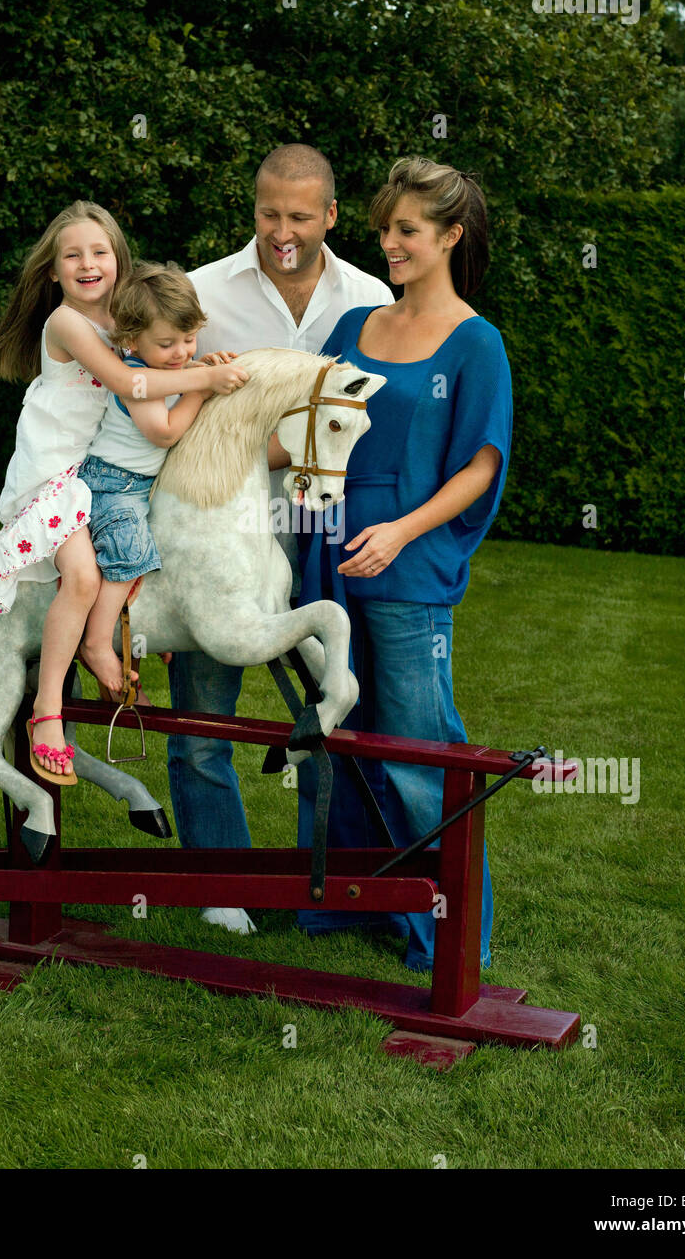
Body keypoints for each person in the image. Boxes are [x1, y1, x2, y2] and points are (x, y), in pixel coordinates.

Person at [286, 156, 512, 973]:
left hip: (406, 569)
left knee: (418, 747)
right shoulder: (355, 329)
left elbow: (479, 465)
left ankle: (447, 929)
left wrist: (402, 533)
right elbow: (313, 430)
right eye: (383, 229)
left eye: (406, 231)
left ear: (450, 236)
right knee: (336, 738)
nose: (388, 243)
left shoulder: (476, 344)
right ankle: (348, 905)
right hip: (330, 559)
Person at [0, 201, 247, 782]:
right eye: (72, 254)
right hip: (51, 474)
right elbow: (129, 382)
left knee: (145, 550)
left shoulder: (129, 324)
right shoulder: (68, 324)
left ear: (119, 260)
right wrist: (204, 376)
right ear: (52, 271)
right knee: (81, 577)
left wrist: (196, 365)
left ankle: (128, 639)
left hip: (90, 473)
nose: (87, 263)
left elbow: (152, 377)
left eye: (100, 252)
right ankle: (48, 711)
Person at [172, 143, 394, 933]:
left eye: (299, 216)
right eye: (269, 213)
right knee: (203, 723)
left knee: (322, 716)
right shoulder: (201, 293)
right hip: (219, 534)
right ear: (254, 207)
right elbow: (170, 416)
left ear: (330, 215)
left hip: (322, 529)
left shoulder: (368, 299)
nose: (282, 230)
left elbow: (366, 416)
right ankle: (219, 889)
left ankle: (314, 892)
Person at [76, 261, 240, 697]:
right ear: (132, 340)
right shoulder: (136, 379)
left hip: (140, 487)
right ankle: (94, 643)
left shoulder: (167, 367)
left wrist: (203, 367)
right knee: (128, 552)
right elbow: (164, 432)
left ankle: (146, 628)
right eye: (167, 343)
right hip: (113, 486)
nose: (182, 352)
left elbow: (186, 375)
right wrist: (200, 386)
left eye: (189, 339)